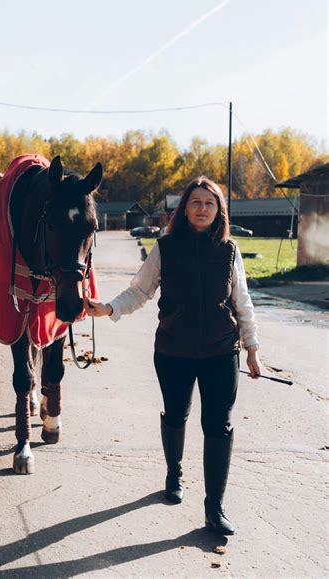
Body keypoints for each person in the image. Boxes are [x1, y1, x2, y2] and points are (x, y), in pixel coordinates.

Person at [86, 176, 262, 536]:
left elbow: (241, 301)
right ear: (185, 209)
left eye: (209, 203)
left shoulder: (229, 251)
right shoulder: (165, 247)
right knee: (175, 415)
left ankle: (214, 508)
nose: (202, 208)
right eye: (195, 202)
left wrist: (252, 348)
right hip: (173, 350)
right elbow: (140, 291)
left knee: (219, 426)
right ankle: (174, 473)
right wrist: (108, 308)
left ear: (218, 211)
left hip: (220, 350)